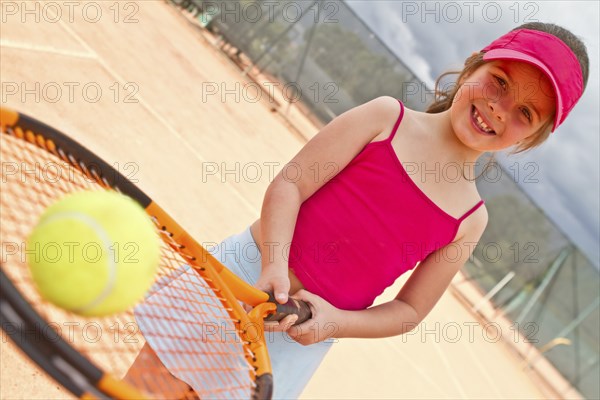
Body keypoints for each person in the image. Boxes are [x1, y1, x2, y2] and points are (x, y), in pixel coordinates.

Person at [129, 21, 589, 399]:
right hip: (238, 280)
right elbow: (291, 183)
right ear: (475, 64)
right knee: (136, 392)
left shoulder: (470, 220)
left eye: (525, 113)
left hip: (295, 345)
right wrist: (272, 264)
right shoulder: (385, 118)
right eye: (500, 81)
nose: (499, 107)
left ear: (533, 137)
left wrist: (336, 322)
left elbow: (409, 310)